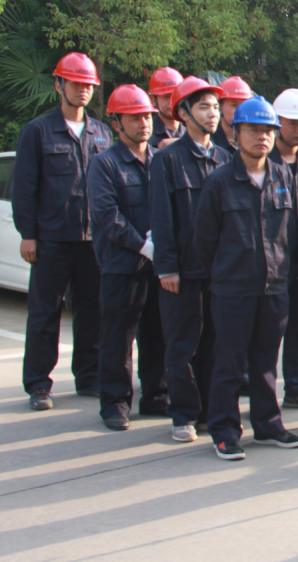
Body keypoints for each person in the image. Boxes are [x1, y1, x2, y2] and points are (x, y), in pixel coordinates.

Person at [195, 97, 298, 460]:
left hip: (274, 288)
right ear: (236, 134)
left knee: (265, 362)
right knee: (229, 363)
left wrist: (286, 272)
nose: (262, 137)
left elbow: (293, 233)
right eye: (253, 130)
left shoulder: (282, 176)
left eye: (268, 131)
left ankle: (268, 425)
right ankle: (225, 431)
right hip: (233, 290)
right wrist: (226, 273)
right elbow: (204, 240)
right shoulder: (219, 181)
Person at [13, 52, 110, 410]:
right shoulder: (37, 131)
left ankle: (89, 376)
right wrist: (28, 234)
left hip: (92, 240)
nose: (83, 90)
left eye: (88, 85)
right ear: (59, 85)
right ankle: (39, 383)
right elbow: (24, 188)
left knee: (91, 311)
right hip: (51, 239)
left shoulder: (102, 133)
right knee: (45, 314)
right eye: (76, 83)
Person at [149, 76, 230, 442]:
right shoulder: (166, 159)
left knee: (215, 342)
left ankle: (209, 411)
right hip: (182, 270)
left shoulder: (225, 158)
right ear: (183, 113)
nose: (212, 114)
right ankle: (182, 413)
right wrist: (166, 267)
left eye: (215, 107)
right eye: (203, 107)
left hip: (218, 271)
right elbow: (161, 217)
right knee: (182, 343)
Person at [86, 85, 167, 430]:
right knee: (118, 338)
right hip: (122, 265)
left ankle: (156, 396)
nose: (144, 123)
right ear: (116, 123)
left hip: (159, 265)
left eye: (147, 116)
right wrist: (142, 245)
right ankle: (115, 402)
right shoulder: (104, 164)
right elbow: (108, 217)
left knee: (157, 334)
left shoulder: (162, 160)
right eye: (134, 118)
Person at [269, 89, 298, 410]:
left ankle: (297, 387)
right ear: (277, 123)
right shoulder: (261, 162)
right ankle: (260, 391)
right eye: (293, 122)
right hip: (271, 264)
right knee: (269, 332)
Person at [212, 76, 253, 154]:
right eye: (234, 105)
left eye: (244, 105)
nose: (240, 110)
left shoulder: (255, 140)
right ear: (220, 107)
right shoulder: (209, 142)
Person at [147, 67, 185, 148]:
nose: (171, 102)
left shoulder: (194, 129)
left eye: (175, 95)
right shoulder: (147, 133)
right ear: (153, 100)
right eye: (166, 96)